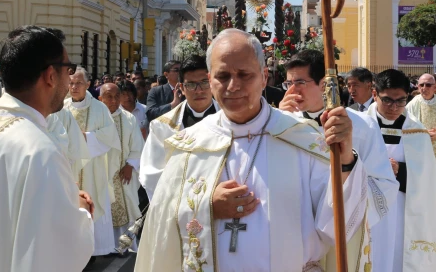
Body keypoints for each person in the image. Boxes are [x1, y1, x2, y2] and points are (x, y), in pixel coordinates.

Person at [135, 29, 369, 271]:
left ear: (264, 77)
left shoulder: (303, 140)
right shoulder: (189, 145)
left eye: (244, 75)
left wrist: (345, 162)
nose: (233, 86)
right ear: (210, 79)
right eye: (222, 76)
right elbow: (159, 218)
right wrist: (206, 206)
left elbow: (337, 226)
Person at [0, 25, 94, 271]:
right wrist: (81, 213)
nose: (70, 79)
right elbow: (53, 251)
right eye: (68, 69)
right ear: (50, 76)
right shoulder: (38, 149)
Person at [279, 50, 399, 272]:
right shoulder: (282, 124)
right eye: (288, 84)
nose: (292, 91)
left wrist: (351, 174)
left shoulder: (361, 126)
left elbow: (384, 185)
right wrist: (277, 124)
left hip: (342, 235)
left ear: (324, 84)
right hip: (295, 232)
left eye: (300, 83)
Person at [366, 69, 436, 272]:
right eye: (388, 101)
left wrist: (399, 170)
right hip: (366, 210)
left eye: (401, 101)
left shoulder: (417, 132)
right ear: (375, 94)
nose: (394, 107)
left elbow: (429, 181)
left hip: (404, 211)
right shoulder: (360, 128)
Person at [58, 66, 120, 257]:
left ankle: (94, 250)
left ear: (88, 84)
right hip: (69, 167)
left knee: (95, 201)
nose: (74, 87)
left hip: (94, 167)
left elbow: (110, 136)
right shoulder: (62, 107)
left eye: (78, 83)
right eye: (71, 83)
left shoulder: (100, 108)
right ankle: (74, 250)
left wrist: (86, 138)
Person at [140, 55, 219, 200]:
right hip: (178, 207)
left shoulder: (232, 121)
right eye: (191, 85)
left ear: (213, 83)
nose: (199, 90)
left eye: (204, 82)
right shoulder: (162, 127)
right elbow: (151, 174)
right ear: (181, 88)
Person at [99, 83, 143, 253]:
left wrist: (131, 165)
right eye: (109, 96)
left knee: (128, 207)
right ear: (100, 98)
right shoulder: (96, 118)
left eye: (117, 96)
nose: (114, 100)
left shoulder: (129, 118)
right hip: (101, 174)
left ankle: (125, 246)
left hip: (122, 174)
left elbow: (138, 145)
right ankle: (103, 246)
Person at [406, 73, 436, 174]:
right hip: (420, 150)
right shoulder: (411, 105)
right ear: (417, 87)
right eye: (421, 85)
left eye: (428, 85)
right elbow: (405, 129)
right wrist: (422, 134)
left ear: (435, 87)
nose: (424, 88)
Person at [146, 60, 183, 124]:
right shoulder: (156, 91)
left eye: (182, 70)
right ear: (166, 74)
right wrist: (172, 105)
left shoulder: (188, 90)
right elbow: (150, 113)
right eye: (176, 70)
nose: (180, 73)